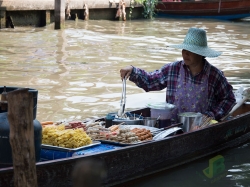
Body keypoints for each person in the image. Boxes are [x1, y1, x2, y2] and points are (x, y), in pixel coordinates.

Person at [120, 27, 236, 121]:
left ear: (201, 54)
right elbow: (150, 81)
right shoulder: (173, 69)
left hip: (200, 128)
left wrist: (211, 115)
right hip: (173, 125)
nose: (185, 54)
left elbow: (229, 99)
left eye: (191, 51)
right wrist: (133, 71)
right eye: (184, 50)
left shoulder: (214, 75)